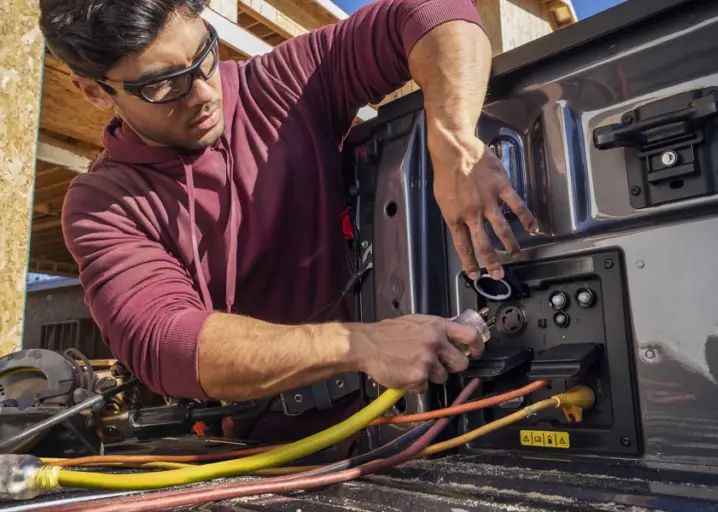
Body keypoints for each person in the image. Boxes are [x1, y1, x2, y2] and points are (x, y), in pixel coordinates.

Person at [38, 0, 538, 445]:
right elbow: (167, 343)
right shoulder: (103, 203)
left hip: (417, 418)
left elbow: (430, 13)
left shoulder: (280, 85)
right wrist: (362, 343)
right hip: (275, 456)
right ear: (94, 91)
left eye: (203, 53)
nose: (203, 92)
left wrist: (453, 139)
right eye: (162, 84)